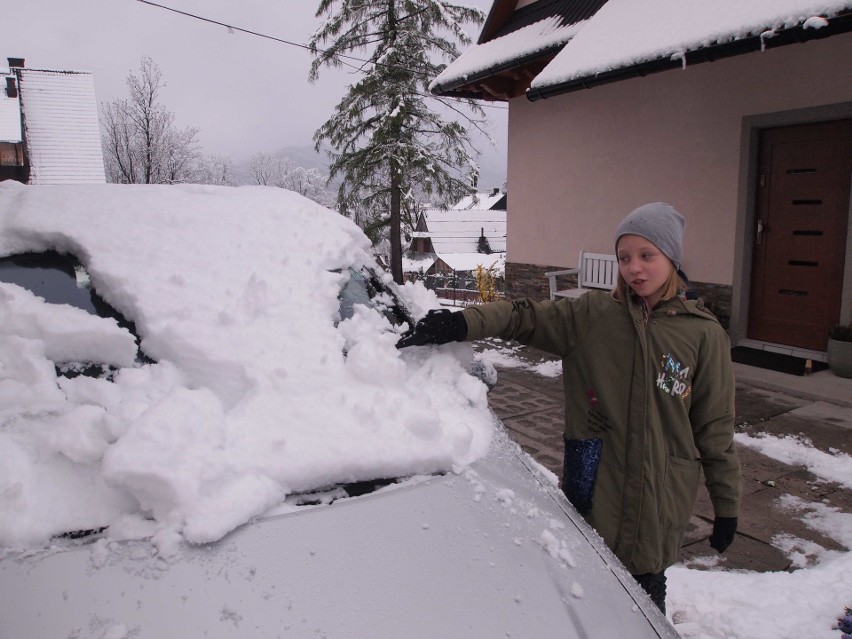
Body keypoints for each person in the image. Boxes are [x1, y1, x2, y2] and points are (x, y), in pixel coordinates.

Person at [399, 202, 741, 613]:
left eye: (647, 255)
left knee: (645, 601)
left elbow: (715, 428)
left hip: (661, 499)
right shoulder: (592, 315)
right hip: (597, 485)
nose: (634, 268)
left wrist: (727, 507)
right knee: (586, 596)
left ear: (672, 258)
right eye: (625, 257)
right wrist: (462, 323)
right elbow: (521, 317)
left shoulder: (703, 335)